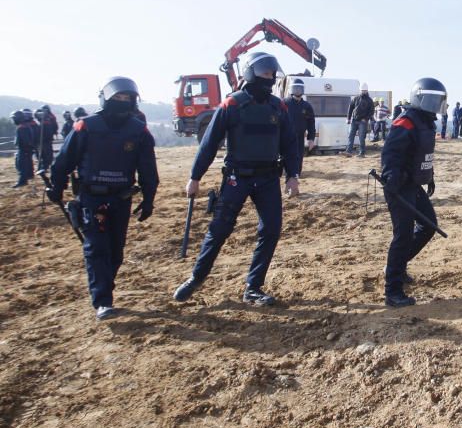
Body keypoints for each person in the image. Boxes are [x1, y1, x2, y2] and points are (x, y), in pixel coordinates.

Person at [173, 52, 299, 307]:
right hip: (236, 178)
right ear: (252, 73)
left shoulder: (279, 106)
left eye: (272, 74)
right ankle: (197, 278)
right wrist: (194, 177)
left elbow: (290, 144)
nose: (270, 78)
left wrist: (293, 175)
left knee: (271, 230)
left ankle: (253, 287)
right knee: (219, 230)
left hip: (267, 179)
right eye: (265, 73)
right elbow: (208, 144)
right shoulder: (232, 104)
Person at [47, 77, 158, 319]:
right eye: (118, 97)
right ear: (106, 98)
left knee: (115, 251)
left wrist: (149, 198)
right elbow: (64, 161)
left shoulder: (138, 130)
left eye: (127, 98)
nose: (122, 102)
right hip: (91, 197)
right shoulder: (85, 127)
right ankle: (103, 301)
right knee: (96, 247)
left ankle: (105, 286)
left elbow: (148, 168)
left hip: (121, 198)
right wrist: (57, 186)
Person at [380, 77, 447, 307]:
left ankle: (396, 266)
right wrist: (392, 177)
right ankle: (393, 291)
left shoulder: (426, 122)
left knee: (428, 225)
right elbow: (390, 154)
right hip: (399, 187)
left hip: (413, 185)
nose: (435, 103)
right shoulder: (405, 122)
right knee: (403, 235)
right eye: (432, 98)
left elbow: (423, 153)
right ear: (421, 97)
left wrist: (429, 177)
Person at [283, 78, 316, 174]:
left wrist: (311, 139)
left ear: (303, 90)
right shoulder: (284, 103)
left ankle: (297, 173)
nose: (298, 91)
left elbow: (311, 123)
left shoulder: (307, 106)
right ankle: (287, 172)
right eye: (295, 88)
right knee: (287, 155)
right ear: (291, 89)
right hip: (286, 136)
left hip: (300, 136)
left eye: (300, 88)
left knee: (299, 156)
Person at [345, 83, 375, 157]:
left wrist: (366, 119)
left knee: (361, 137)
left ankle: (362, 153)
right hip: (354, 120)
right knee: (351, 135)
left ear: (367, 91)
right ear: (360, 90)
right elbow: (350, 108)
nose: (363, 92)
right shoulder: (356, 98)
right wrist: (348, 118)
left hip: (363, 121)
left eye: (365, 90)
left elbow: (371, 111)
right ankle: (349, 151)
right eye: (362, 90)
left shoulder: (369, 100)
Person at [11, 110, 36, 188]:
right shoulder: (25, 126)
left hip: (23, 149)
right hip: (26, 149)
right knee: (26, 164)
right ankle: (29, 176)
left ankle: (22, 181)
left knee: (22, 166)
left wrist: (26, 149)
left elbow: (26, 141)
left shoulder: (22, 128)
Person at [35, 105, 59, 172]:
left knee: (47, 153)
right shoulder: (43, 118)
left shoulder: (49, 118)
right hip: (43, 139)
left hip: (46, 139)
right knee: (42, 153)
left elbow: (54, 127)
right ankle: (42, 167)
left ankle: (45, 167)